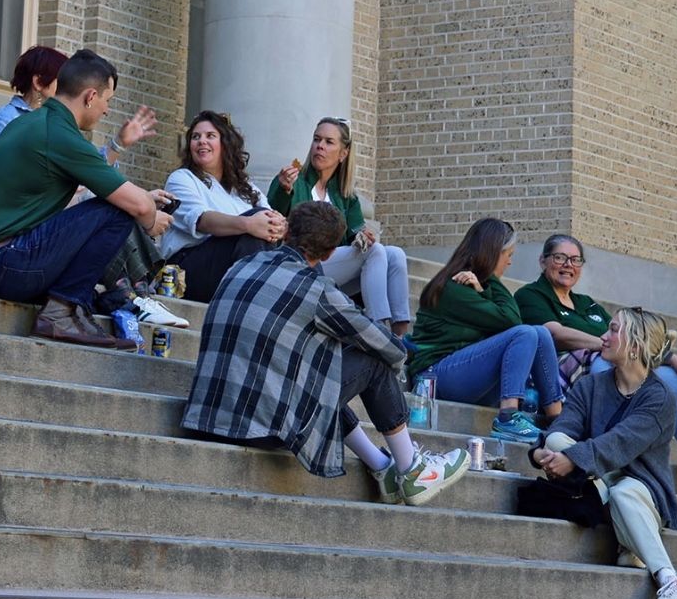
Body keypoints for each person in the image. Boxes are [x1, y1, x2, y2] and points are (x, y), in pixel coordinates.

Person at [182, 201, 469, 504]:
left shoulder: (241, 266)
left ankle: (383, 467)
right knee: (371, 360)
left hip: (207, 416)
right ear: (331, 252)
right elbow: (388, 347)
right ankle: (413, 469)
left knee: (318, 366)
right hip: (263, 428)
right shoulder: (318, 290)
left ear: (288, 231)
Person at [516, 234, 677, 503]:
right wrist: (607, 343)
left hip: (610, 364)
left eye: (575, 259)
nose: (568, 265)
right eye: (560, 257)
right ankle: (617, 455)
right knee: (607, 365)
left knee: (672, 380)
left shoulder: (588, 304)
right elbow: (555, 333)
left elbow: (633, 338)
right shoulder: (530, 295)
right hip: (569, 378)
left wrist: (672, 359)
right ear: (543, 261)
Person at [0, 49, 174, 349]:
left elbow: (74, 201)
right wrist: (150, 218)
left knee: (114, 206)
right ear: (90, 96)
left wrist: (141, 201)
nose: (107, 111)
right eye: (107, 101)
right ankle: (62, 311)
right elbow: (136, 205)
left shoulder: (31, 123)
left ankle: (77, 306)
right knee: (118, 213)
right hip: (2, 266)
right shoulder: (60, 135)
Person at [530, 306, 677, 599]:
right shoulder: (590, 385)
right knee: (556, 442)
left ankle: (670, 582)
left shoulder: (660, 398)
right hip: (597, 479)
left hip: (643, 489)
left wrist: (572, 460)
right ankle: (628, 541)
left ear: (634, 346)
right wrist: (540, 452)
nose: (604, 336)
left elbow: (620, 443)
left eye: (613, 330)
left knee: (624, 492)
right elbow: (562, 429)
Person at [408, 218, 562, 443]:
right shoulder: (455, 287)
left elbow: (506, 318)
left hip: (463, 375)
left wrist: (483, 286)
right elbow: (512, 320)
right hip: (435, 377)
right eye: (508, 255)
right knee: (526, 334)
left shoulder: (476, 287)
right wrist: (490, 278)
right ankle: (508, 417)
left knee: (541, 333)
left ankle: (557, 421)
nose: (510, 263)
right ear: (492, 253)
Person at [270, 117, 411, 335]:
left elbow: (355, 234)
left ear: (343, 154)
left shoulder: (346, 196)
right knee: (376, 252)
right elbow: (272, 213)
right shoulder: (292, 182)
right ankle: (377, 328)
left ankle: (399, 332)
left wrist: (363, 236)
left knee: (395, 254)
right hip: (302, 264)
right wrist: (283, 190)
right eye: (317, 139)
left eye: (328, 142)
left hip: (333, 267)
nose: (320, 146)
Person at [160, 111, 287, 303]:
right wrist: (248, 224)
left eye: (210, 136)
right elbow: (202, 220)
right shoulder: (182, 178)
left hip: (231, 269)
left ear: (226, 145)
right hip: (187, 272)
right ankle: (249, 303)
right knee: (252, 229)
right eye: (196, 137)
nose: (201, 141)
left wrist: (280, 226)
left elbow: (268, 218)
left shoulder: (246, 188)